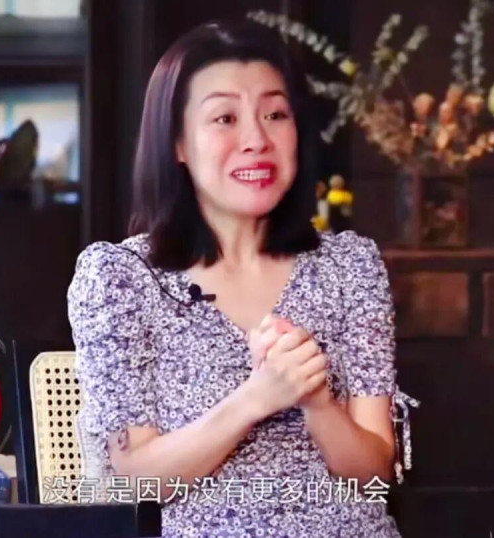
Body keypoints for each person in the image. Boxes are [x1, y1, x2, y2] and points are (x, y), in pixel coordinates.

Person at [67, 20, 418, 537]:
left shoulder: (349, 265)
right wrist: (255, 398)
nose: (257, 140)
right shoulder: (121, 278)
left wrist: (317, 402)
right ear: (177, 142)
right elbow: (137, 480)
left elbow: (373, 477)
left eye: (275, 114)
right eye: (225, 118)